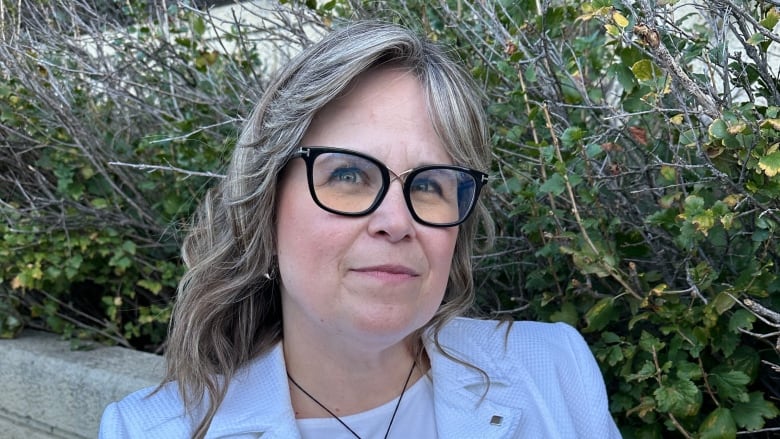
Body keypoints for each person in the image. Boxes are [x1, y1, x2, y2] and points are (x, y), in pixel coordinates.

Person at [99, 20, 621, 439]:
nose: (397, 222)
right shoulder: (147, 429)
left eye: (431, 184)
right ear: (266, 202)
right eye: (348, 174)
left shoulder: (553, 372)